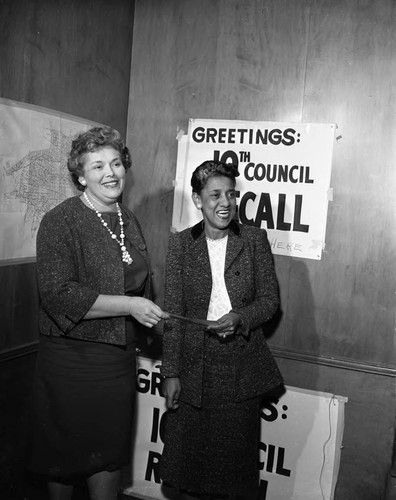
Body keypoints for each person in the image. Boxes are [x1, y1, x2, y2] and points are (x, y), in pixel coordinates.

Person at [27, 126, 168, 500]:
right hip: (72, 361)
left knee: (109, 458)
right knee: (64, 456)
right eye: (97, 166)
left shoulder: (129, 218)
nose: (110, 173)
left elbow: (138, 282)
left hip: (117, 360)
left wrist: (148, 317)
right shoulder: (60, 220)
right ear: (80, 176)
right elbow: (57, 295)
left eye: (116, 163)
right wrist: (131, 306)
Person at [160, 160, 283, 500]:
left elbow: (270, 300)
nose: (225, 203)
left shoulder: (255, 239)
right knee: (188, 473)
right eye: (215, 195)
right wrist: (170, 372)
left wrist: (240, 317)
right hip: (193, 367)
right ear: (198, 200)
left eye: (231, 194)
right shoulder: (181, 244)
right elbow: (173, 314)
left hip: (240, 368)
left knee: (232, 475)